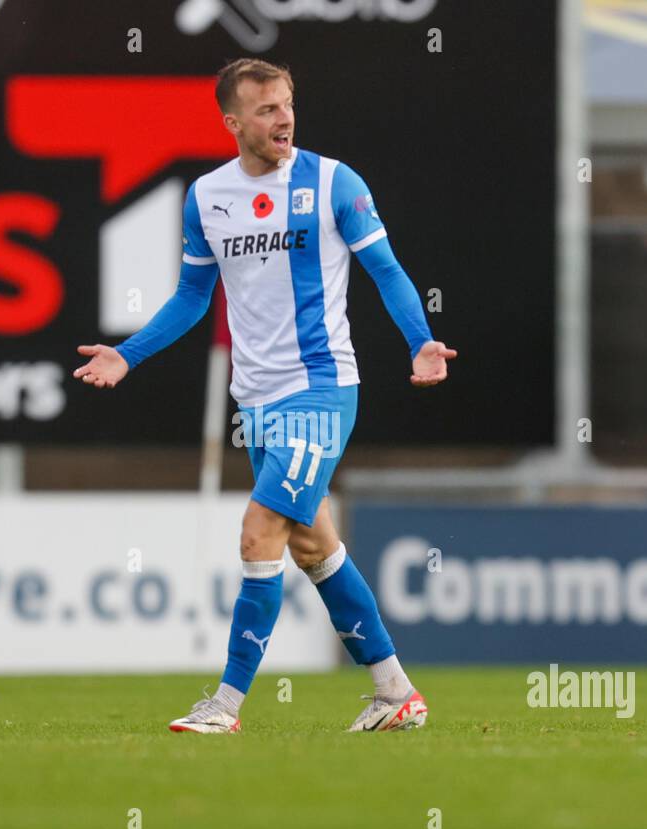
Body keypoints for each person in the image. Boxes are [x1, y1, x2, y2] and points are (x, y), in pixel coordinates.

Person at [74, 58, 456, 733]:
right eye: (267, 110)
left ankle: (225, 705)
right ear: (234, 123)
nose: (284, 119)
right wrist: (126, 355)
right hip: (257, 402)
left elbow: (385, 268)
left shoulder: (335, 182)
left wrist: (419, 341)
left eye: (287, 105)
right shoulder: (208, 196)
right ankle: (396, 692)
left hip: (321, 388)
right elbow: (195, 296)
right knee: (313, 548)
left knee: (259, 531)